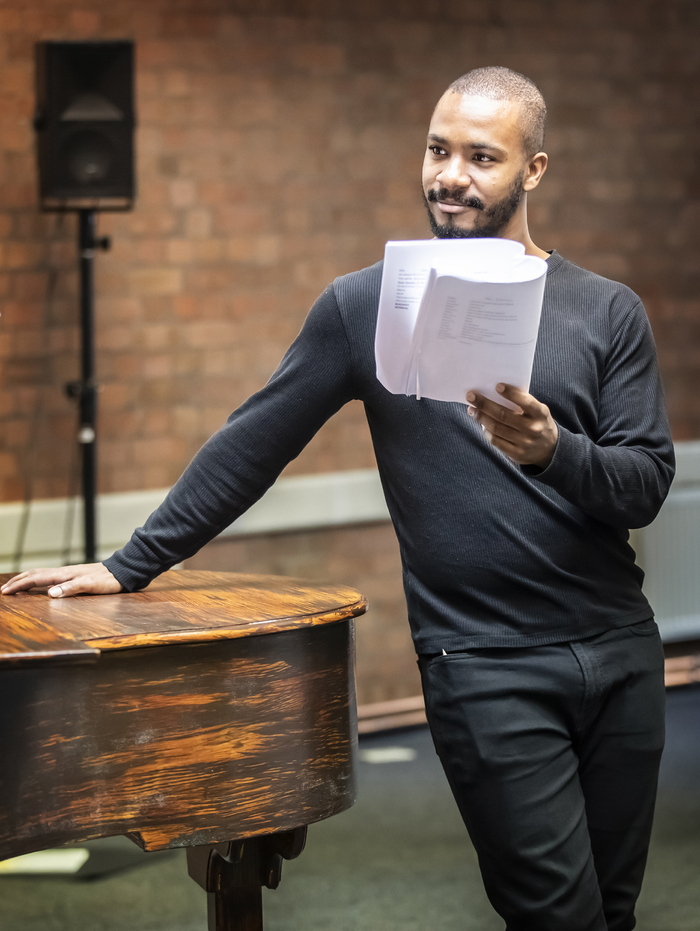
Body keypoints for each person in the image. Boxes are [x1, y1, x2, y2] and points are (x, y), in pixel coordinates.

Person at [2, 67, 674, 931]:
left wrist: (554, 451)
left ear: (533, 171)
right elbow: (253, 443)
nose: (449, 175)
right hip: (485, 666)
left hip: (621, 655)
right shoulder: (363, 308)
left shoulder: (608, 312)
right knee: (559, 918)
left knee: (613, 914)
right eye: (437, 150)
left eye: (480, 156)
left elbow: (645, 484)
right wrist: (127, 566)